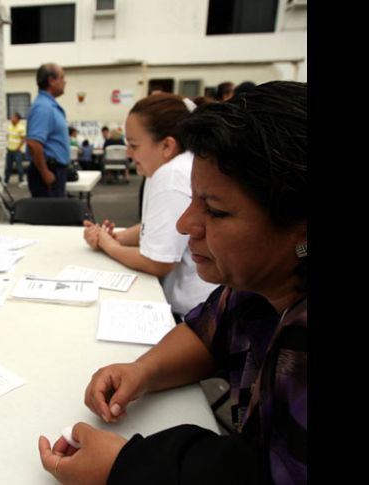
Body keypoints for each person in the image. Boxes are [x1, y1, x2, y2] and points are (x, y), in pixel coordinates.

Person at [39, 81, 307, 485]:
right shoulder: (255, 285)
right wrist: (142, 370)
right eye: (192, 201)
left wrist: (126, 467)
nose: (186, 225)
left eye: (215, 212)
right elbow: (209, 332)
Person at [83, 93, 216, 320]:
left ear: (166, 145)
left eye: (133, 145)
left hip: (193, 312)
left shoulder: (171, 175)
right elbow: (159, 226)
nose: (128, 153)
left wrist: (108, 245)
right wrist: (116, 237)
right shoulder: (182, 165)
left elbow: (159, 262)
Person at [26, 63, 71, 198]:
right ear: (51, 80)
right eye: (62, 78)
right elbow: (33, 143)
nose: (65, 82)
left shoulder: (49, 105)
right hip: (48, 172)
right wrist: (45, 172)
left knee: (54, 215)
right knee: (50, 217)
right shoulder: (43, 108)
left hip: (55, 170)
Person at [4, 112, 26, 184]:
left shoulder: (21, 127)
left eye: (13, 117)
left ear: (17, 119)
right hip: (9, 150)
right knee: (8, 167)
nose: (11, 118)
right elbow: (8, 136)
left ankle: (21, 181)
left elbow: (23, 139)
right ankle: (6, 181)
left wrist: (18, 147)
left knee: (19, 167)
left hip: (17, 151)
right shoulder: (9, 126)